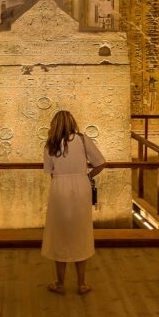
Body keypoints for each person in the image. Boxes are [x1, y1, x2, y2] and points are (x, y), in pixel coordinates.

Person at [41, 110, 106, 295]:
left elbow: (49, 170)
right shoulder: (83, 139)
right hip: (81, 185)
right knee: (81, 231)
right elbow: (101, 163)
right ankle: (81, 283)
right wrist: (87, 176)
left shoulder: (51, 144)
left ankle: (60, 283)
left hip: (59, 186)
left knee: (60, 232)